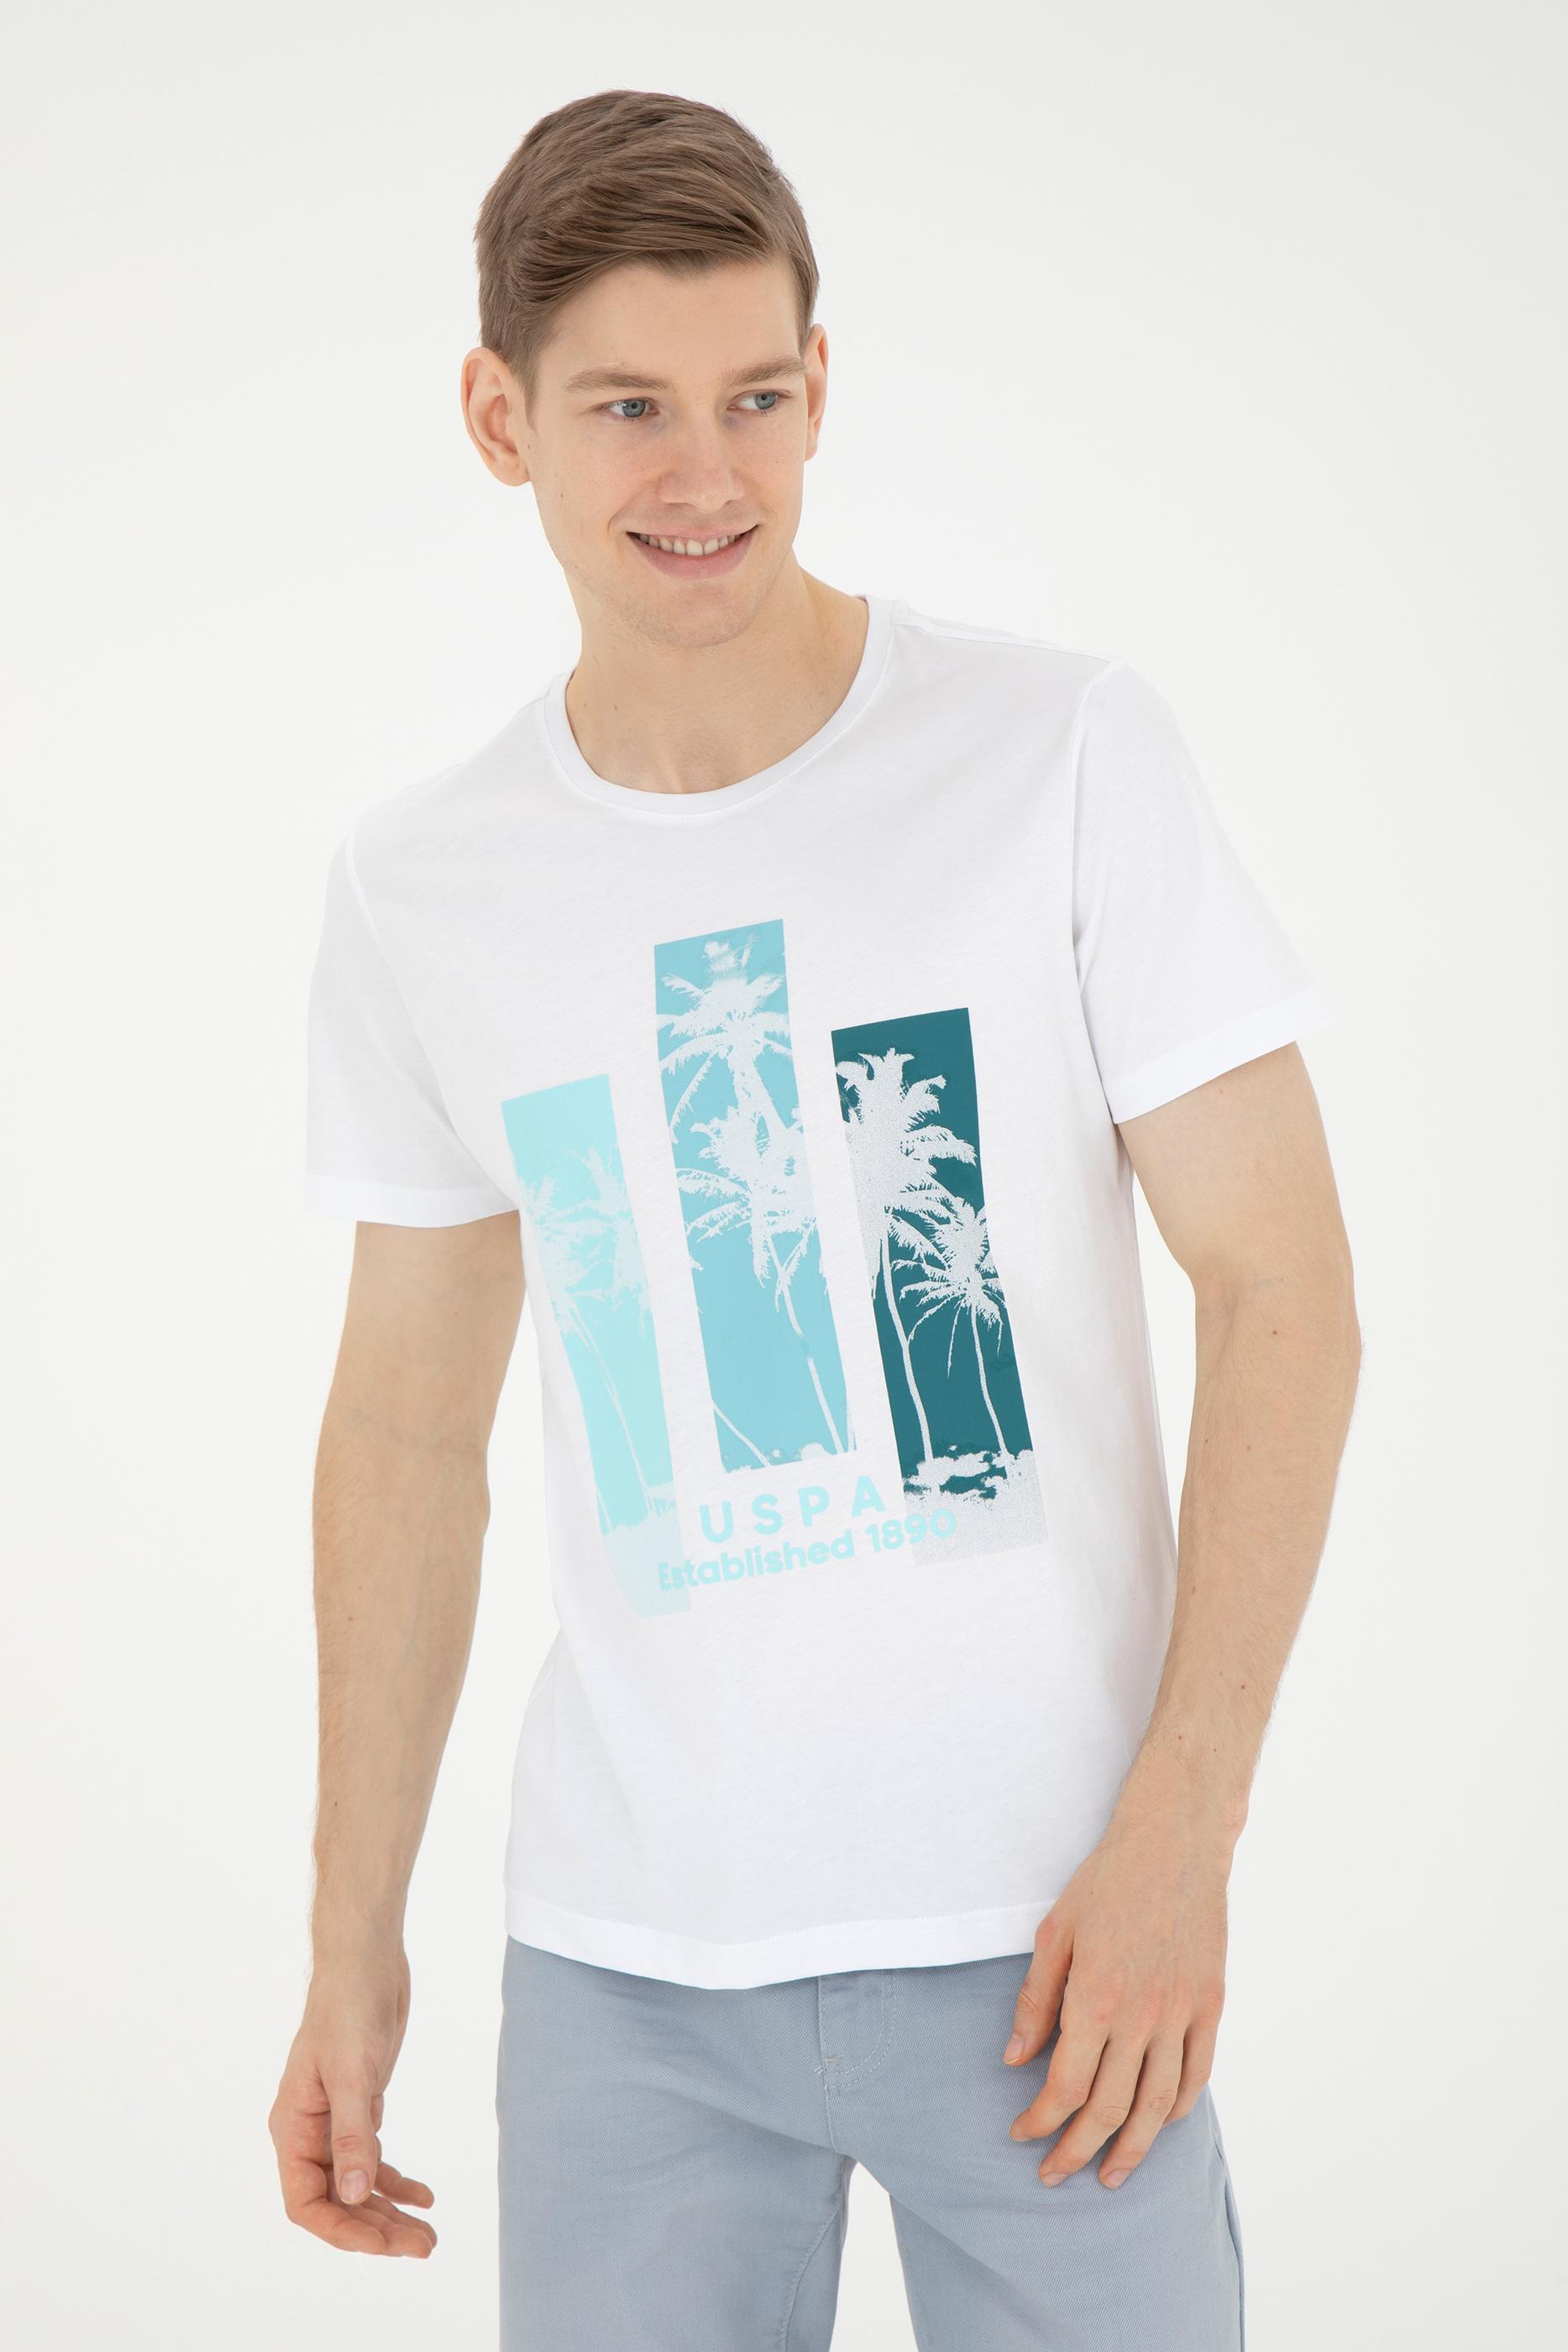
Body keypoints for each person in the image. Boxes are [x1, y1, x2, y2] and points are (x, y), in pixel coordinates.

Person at [270, 86, 1361, 2351]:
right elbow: (401, 1433)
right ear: (498, 418)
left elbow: (1282, 1293)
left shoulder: (1060, 752)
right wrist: (349, 1936)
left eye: (756, 398)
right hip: (628, 1984)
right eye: (628, 409)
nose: (707, 475)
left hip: (1059, 1949)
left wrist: (1186, 1828)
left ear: (822, 383)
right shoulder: (421, 887)